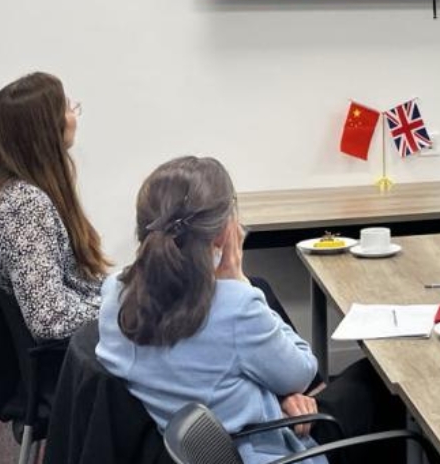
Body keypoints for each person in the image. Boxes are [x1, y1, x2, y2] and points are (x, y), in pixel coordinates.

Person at [96, 156, 410, 464]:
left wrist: (282, 395)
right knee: (378, 379)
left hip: (202, 441)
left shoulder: (115, 294)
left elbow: (209, 366)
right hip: (268, 447)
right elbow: (302, 371)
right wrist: (240, 281)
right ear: (224, 232)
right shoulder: (233, 305)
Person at [0, 71, 109, 341]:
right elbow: (49, 318)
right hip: (64, 361)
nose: (74, 114)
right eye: (67, 108)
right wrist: (122, 312)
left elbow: (69, 288)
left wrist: (124, 291)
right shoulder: (24, 205)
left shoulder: (26, 194)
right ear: (47, 126)